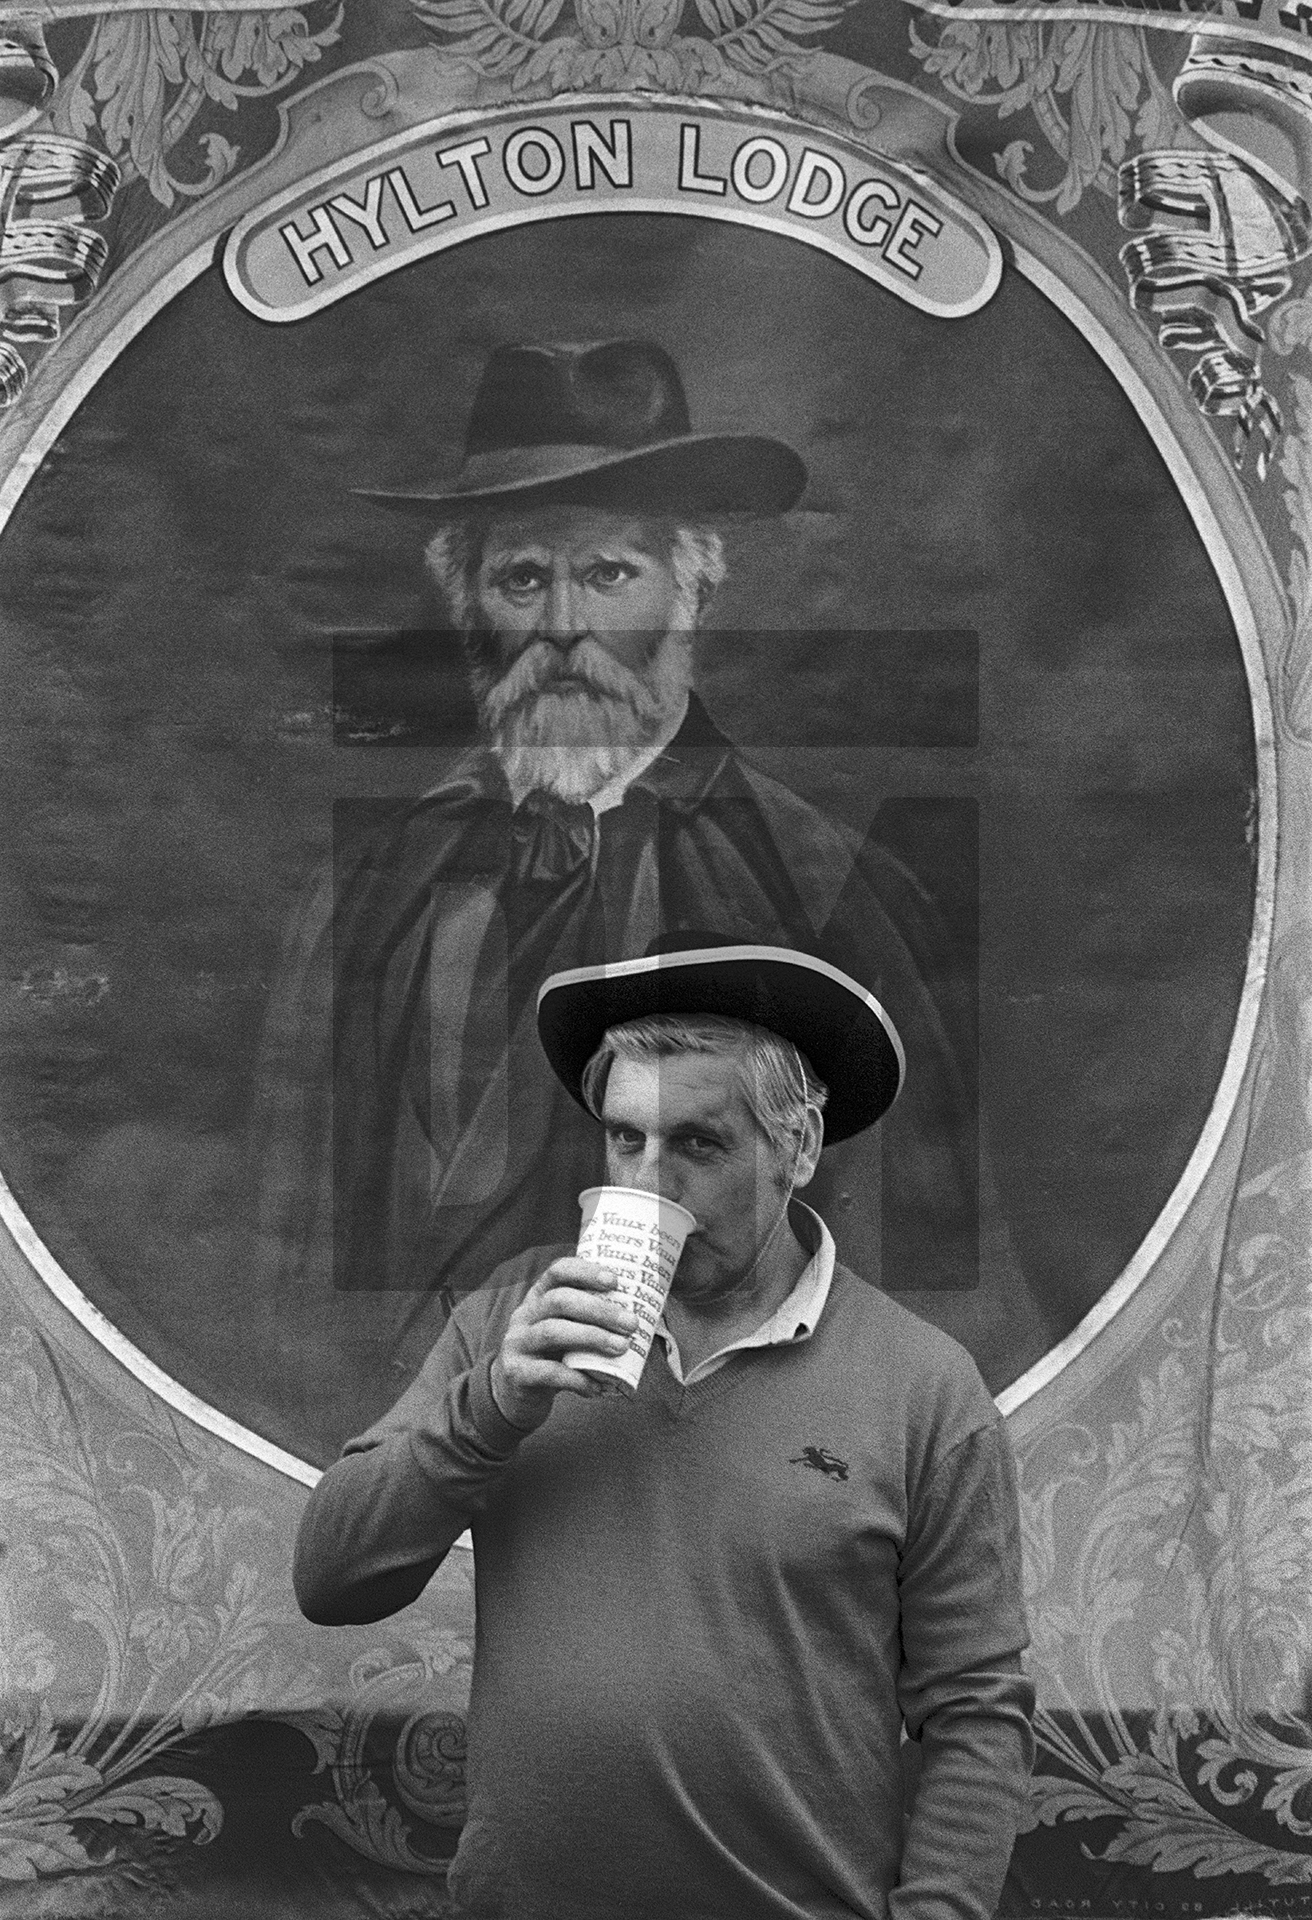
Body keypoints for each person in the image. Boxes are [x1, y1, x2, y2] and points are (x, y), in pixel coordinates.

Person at [251, 336, 980, 1430]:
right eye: (522, 578)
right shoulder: (366, 897)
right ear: (469, 605)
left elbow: (908, 1259)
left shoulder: (833, 889)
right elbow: (291, 1264)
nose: (560, 627)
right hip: (451, 1457)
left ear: (691, 588)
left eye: (606, 574)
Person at [294, 940, 1035, 1920]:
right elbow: (331, 1579)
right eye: (625, 1140)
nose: (650, 1185)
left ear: (797, 1151)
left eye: (698, 1144)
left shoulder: (924, 1390)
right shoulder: (511, 1326)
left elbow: (976, 1717)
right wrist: (492, 1409)